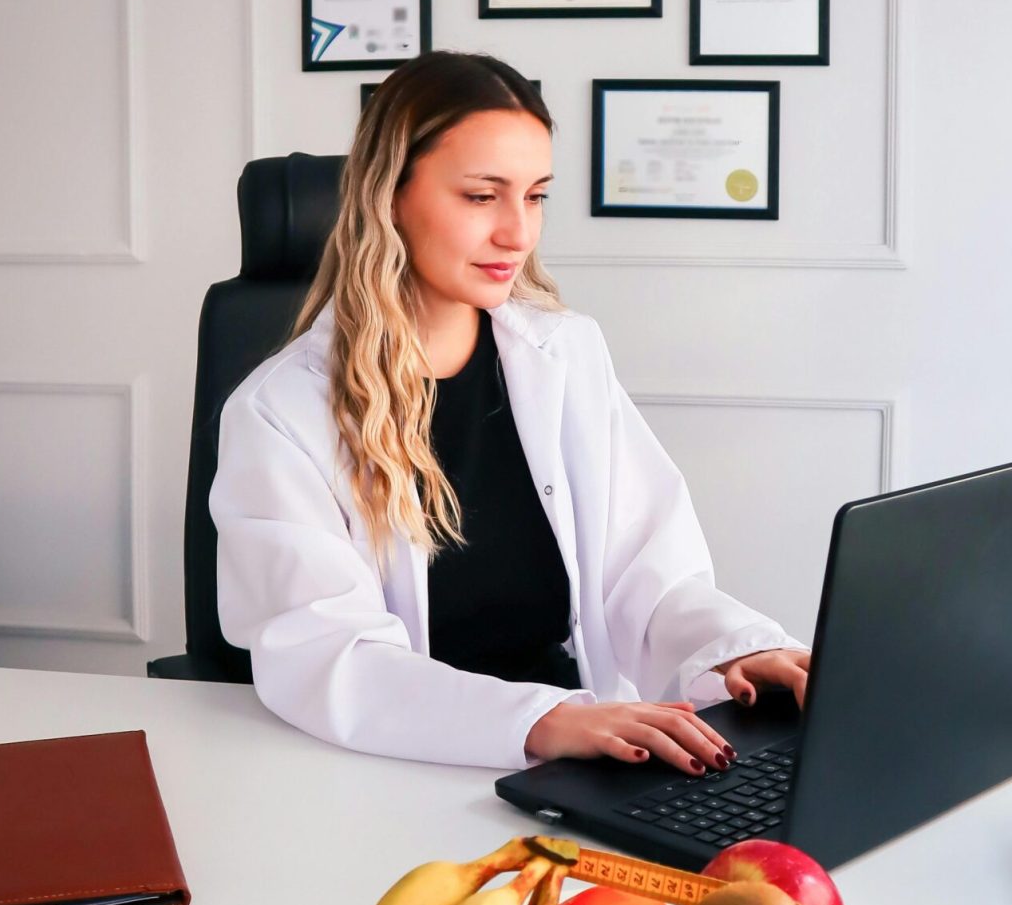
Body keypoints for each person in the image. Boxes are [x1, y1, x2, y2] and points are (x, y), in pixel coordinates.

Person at [210, 51, 809, 775]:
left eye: (535, 196)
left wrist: (742, 646)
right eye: (481, 196)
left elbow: (648, 574)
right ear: (388, 196)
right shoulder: (280, 414)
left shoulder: (567, 354)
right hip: (404, 762)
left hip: (586, 745)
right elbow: (332, 659)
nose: (518, 234)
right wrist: (545, 721)